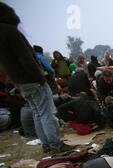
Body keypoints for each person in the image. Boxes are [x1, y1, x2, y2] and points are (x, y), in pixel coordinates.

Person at [0, 3, 72, 154]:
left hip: (20, 82)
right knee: (46, 113)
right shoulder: (11, 32)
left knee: (37, 112)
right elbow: (26, 59)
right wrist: (41, 78)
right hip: (32, 80)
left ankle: (46, 144)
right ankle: (55, 144)